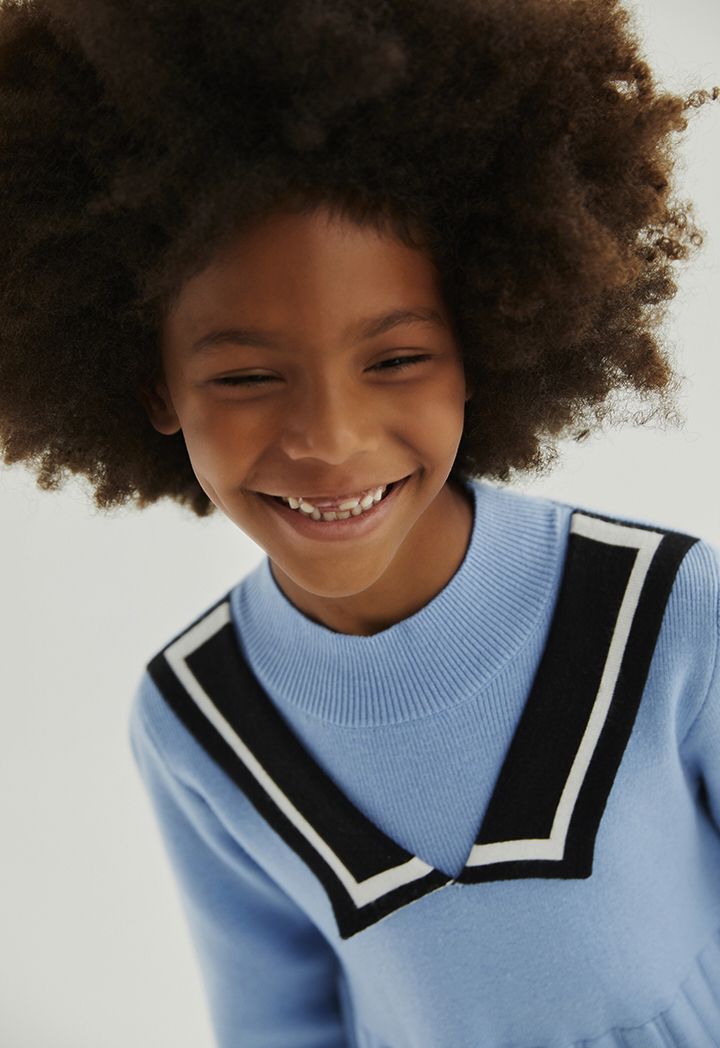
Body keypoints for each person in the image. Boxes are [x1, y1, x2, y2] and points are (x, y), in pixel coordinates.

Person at [1, 0, 718, 1044]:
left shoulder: (668, 614)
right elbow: (275, 1025)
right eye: (247, 376)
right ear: (154, 387)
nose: (330, 439)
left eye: (397, 359)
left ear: (487, 337)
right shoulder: (200, 720)